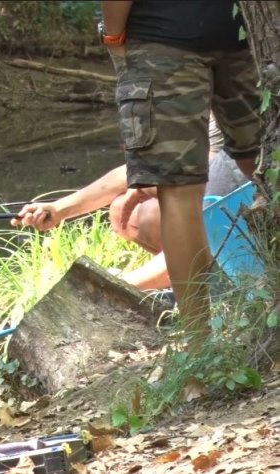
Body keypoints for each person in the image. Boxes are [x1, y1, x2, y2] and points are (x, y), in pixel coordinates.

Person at [98, 0, 262, 342]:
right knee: (263, 166)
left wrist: (114, 37)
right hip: (247, 30)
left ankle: (202, 349)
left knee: (179, 193)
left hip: (163, 37)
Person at [12, 117, 249, 291]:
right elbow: (137, 171)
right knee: (123, 210)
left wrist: (114, 289)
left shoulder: (230, 102)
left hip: (233, 207)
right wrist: (58, 209)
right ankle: (198, 284)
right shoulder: (199, 103)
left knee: (167, 216)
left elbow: (205, 192)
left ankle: (204, 289)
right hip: (217, 195)